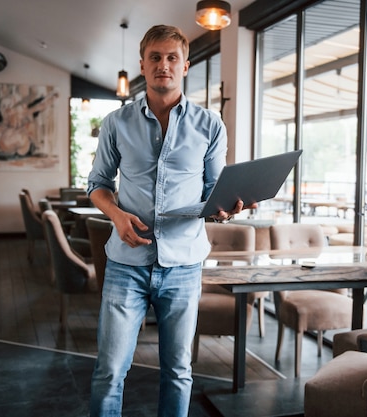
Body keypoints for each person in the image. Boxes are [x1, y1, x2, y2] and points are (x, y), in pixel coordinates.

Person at [87, 25, 255, 416]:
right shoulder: (116, 123)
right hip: (125, 265)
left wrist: (228, 207)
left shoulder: (210, 125)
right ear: (143, 66)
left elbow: (214, 191)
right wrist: (116, 215)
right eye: (156, 58)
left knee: (178, 371)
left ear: (185, 66)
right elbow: (97, 185)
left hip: (183, 265)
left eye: (172, 58)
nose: (164, 65)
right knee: (109, 370)